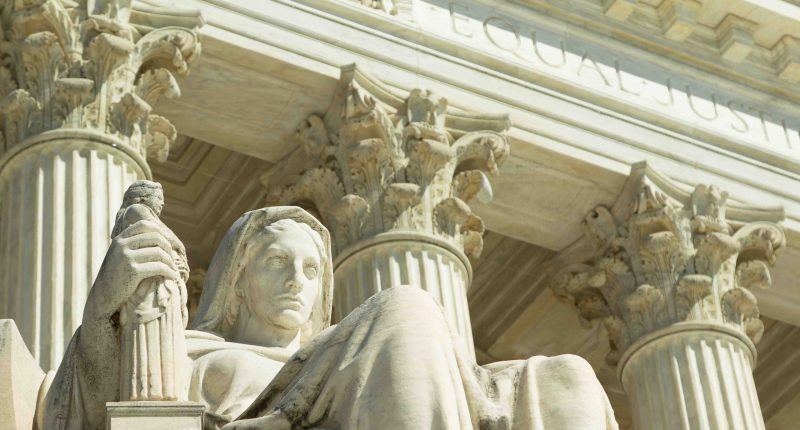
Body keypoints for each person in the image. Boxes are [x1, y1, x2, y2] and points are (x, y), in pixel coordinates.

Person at [43, 205, 618, 429]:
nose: (298, 279)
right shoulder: (188, 353)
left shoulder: (343, 359)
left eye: (312, 269)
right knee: (407, 310)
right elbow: (79, 414)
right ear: (237, 281)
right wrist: (105, 310)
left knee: (567, 378)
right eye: (276, 262)